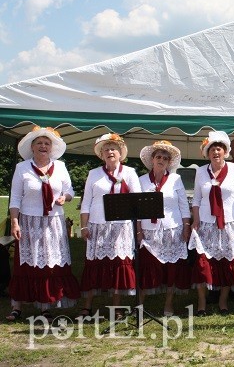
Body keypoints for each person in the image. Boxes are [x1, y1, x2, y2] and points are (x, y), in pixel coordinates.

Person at [6, 126, 80, 321]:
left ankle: (45, 305)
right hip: (29, 221)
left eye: (47, 143)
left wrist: (65, 197)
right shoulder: (22, 168)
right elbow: (15, 198)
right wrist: (15, 222)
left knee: (49, 264)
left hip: (53, 222)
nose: (43, 146)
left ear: (51, 147)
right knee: (25, 264)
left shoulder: (61, 167)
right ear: (32, 147)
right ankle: (17, 306)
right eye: (39, 143)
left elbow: (70, 191)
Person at [78, 133, 141, 320]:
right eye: (106, 150)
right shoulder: (93, 174)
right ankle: (87, 306)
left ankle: (117, 307)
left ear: (121, 153)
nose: (110, 152)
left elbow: (137, 201)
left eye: (113, 149)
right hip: (98, 224)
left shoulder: (129, 172)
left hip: (121, 227)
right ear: (101, 155)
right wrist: (83, 226)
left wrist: (138, 229)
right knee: (94, 265)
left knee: (118, 266)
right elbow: (86, 201)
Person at [189, 131, 234, 316]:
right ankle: (202, 302)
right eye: (212, 150)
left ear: (225, 152)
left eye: (219, 149)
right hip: (206, 224)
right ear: (207, 154)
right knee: (202, 264)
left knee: (226, 264)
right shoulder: (201, 171)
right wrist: (196, 219)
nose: (216, 152)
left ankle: (223, 302)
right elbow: (196, 200)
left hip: (229, 223)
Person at [138, 140, 191, 316]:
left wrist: (186, 226)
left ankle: (168, 304)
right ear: (152, 160)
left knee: (172, 269)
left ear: (169, 163)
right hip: (149, 230)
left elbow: (184, 205)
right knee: (147, 267)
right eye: (158, 156)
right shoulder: (142, 181)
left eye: (165, 158)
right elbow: (136, 208)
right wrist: (138, 229)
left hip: (172, 229)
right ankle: (140, 305)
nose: (161, 160)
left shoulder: (176, 179)